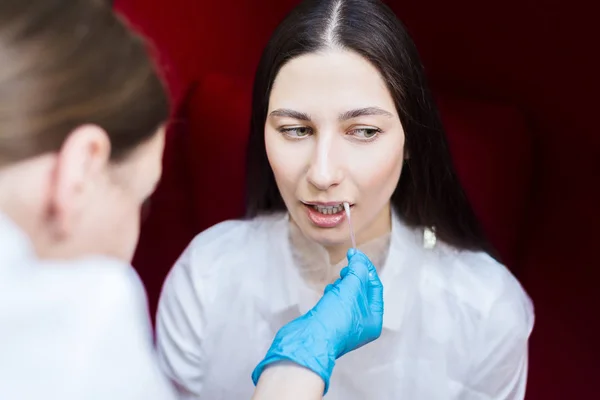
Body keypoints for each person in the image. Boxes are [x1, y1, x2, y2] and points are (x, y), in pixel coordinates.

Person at [0, 1, 384, 399]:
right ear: (80, 170)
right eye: (141, 199)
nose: (322, 174)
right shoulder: (88, 312)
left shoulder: (452, 294)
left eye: (365, 131)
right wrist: (297, 368)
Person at [155, 0, 536, 399]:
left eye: (365, 131)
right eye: (295, 130)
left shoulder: (486, 310)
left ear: (411, 141)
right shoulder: (207, 277)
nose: (322, 174)